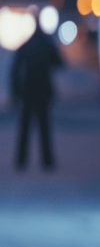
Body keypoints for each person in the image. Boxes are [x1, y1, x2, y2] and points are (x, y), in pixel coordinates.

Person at [11, 15, 64, 170]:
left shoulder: (27, 45)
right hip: (42, 91)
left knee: (25, 128)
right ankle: (47, 161)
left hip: (28, 91)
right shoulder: (47, 45)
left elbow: (15, 71)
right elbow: (60, 63)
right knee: (44, 128)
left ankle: (21, 161)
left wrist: (16, 91)